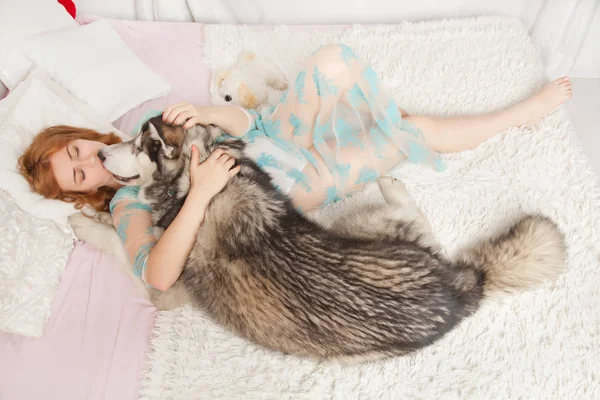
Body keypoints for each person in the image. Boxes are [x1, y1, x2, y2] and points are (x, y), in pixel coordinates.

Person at [19, 44, 572, 291]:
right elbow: (159, 274)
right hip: (283, 188)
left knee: (331, 61)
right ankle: (520, 115)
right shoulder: (125, 205)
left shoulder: (144, 127)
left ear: (85, 137)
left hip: (273, 135)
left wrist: (210, 111)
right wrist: (201, 193)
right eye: (79, 176)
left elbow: (242, 122)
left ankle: (382, 123)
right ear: (79, 195)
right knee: (416, 131)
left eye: (78, 151)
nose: (92, 164)